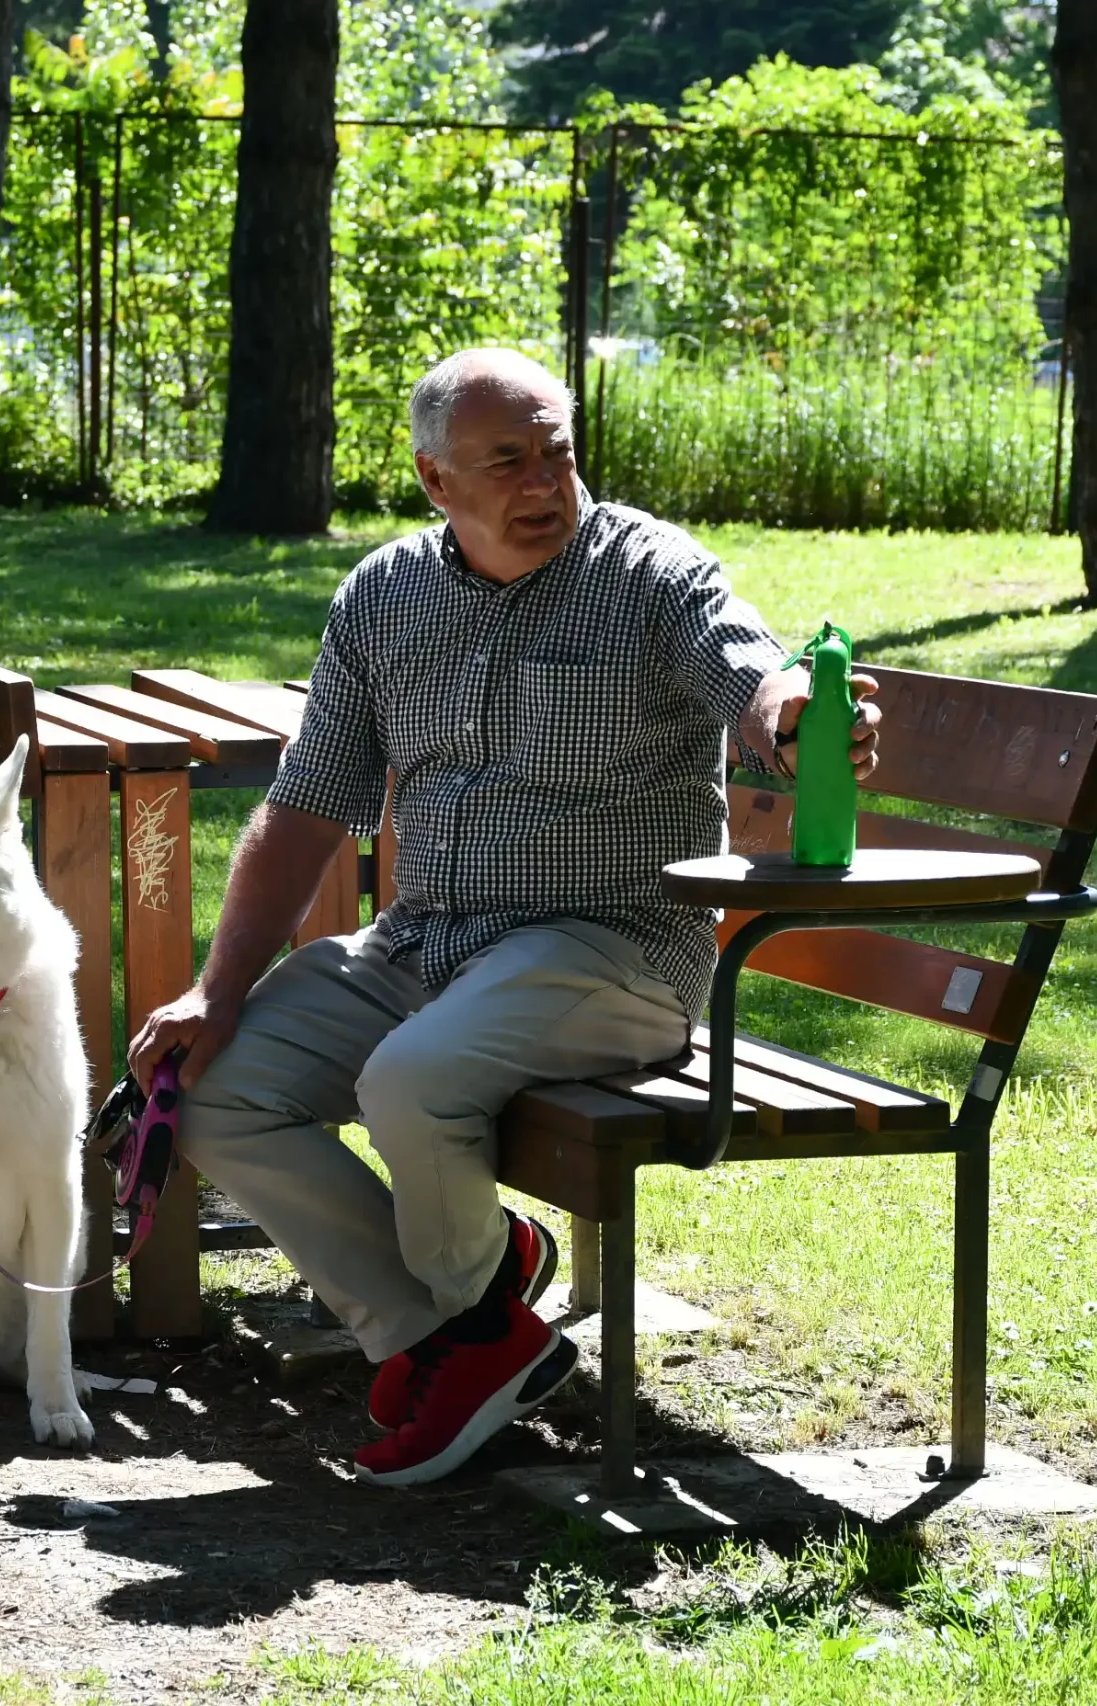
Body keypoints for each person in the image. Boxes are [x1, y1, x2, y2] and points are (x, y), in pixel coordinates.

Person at [126, 348, 883, 1488]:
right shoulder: (382, 598)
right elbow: (302, 809)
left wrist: (792, 712)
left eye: (558, 453)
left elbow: (750, 668)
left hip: (615, 946)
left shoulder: (651, 575)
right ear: (437, 482)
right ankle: (454, 1322)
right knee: (214, 1089)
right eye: (508, 462)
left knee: (411, 1080)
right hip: (422, 944)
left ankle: (476, 1331)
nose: (544, 484)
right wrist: (213, 989)